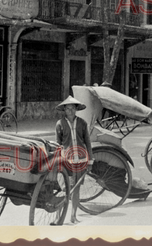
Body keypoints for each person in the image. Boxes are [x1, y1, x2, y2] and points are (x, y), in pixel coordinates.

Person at [54, 96, 94, 224]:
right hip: (66, 161)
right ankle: (58, 217)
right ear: (64, 110)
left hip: (81, 161)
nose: (70, 111)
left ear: (76, 109)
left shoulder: (82, 123)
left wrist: (90, 160)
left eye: (72, 108)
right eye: (67, 108)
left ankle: (73, 215)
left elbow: (88, 142)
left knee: (76, 190)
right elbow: (58, 144)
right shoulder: (60, 124)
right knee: (64, 189)